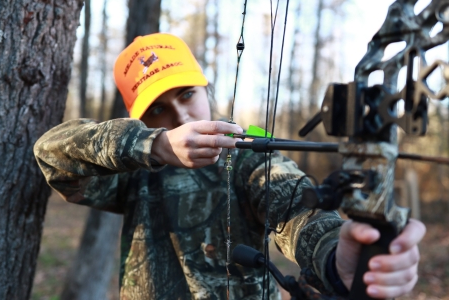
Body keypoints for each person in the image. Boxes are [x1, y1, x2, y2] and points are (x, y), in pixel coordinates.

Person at [34, 33, 425, 299]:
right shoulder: (134, 171)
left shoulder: (248, 154)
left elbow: (298, 210)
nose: (182, 115)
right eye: (157, 109)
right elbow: (51, 155)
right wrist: (151, 144)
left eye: (188, 94)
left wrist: (339, 256)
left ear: (207, 88)